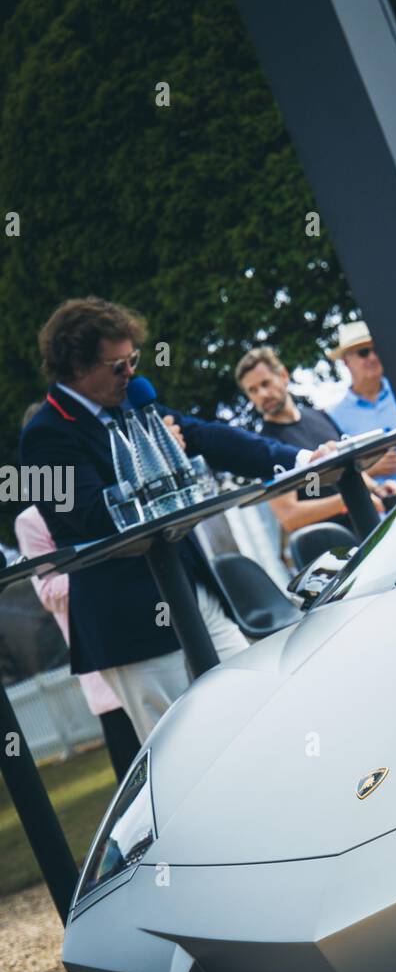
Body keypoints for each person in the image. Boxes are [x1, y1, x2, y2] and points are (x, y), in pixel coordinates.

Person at [19, 297, 335, 740]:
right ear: (76, 365)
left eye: (134, 360)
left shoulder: (128, 402)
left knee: (262, 713)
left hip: (191, 592)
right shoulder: (44, 436)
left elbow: (208, 436)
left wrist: (302, 459)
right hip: (129, 625)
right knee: (186, 745)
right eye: (118, 364)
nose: (130, 372)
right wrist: (155, 456)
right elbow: (89, 518)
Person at [15, 503, 140, 781]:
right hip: (105, 665)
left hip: (152, 646)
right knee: (137, 780)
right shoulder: (31, 521)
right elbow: (48, 592)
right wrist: (106, 568)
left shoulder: (104, 497)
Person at [235, 345, 396, 536]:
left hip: (371, 529)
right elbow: (290, 516)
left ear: (283, 376)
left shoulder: (318, 416)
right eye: (253, 391)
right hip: (334, 549)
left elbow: (348, 467)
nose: (262, 395)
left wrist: (379, 488)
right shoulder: (268, 448)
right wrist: (350, 498)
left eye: (265, 384)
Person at [326, 322, 396, 493]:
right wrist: (373, 469)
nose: (372, 357)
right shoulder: (334, 417)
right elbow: (339, 475)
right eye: (363, 352)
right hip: (393, 512)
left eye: (375, 350)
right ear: (346, 361)